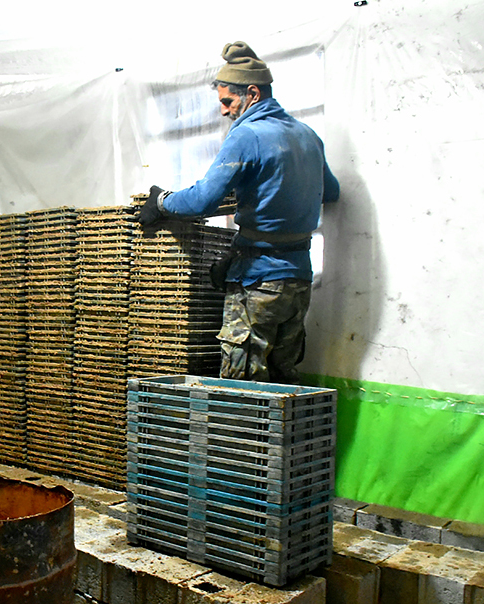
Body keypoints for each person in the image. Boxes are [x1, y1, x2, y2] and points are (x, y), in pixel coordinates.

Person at [137, 41, 339, 384]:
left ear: (252, 94)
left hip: (258, 280)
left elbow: (201, 202)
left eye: (227, 101)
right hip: (297, 280)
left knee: (241, 386)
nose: (223, 111)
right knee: (282, 381)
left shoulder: (247, 135)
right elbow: (330, 192)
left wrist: (161, 202)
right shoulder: (308, 136)